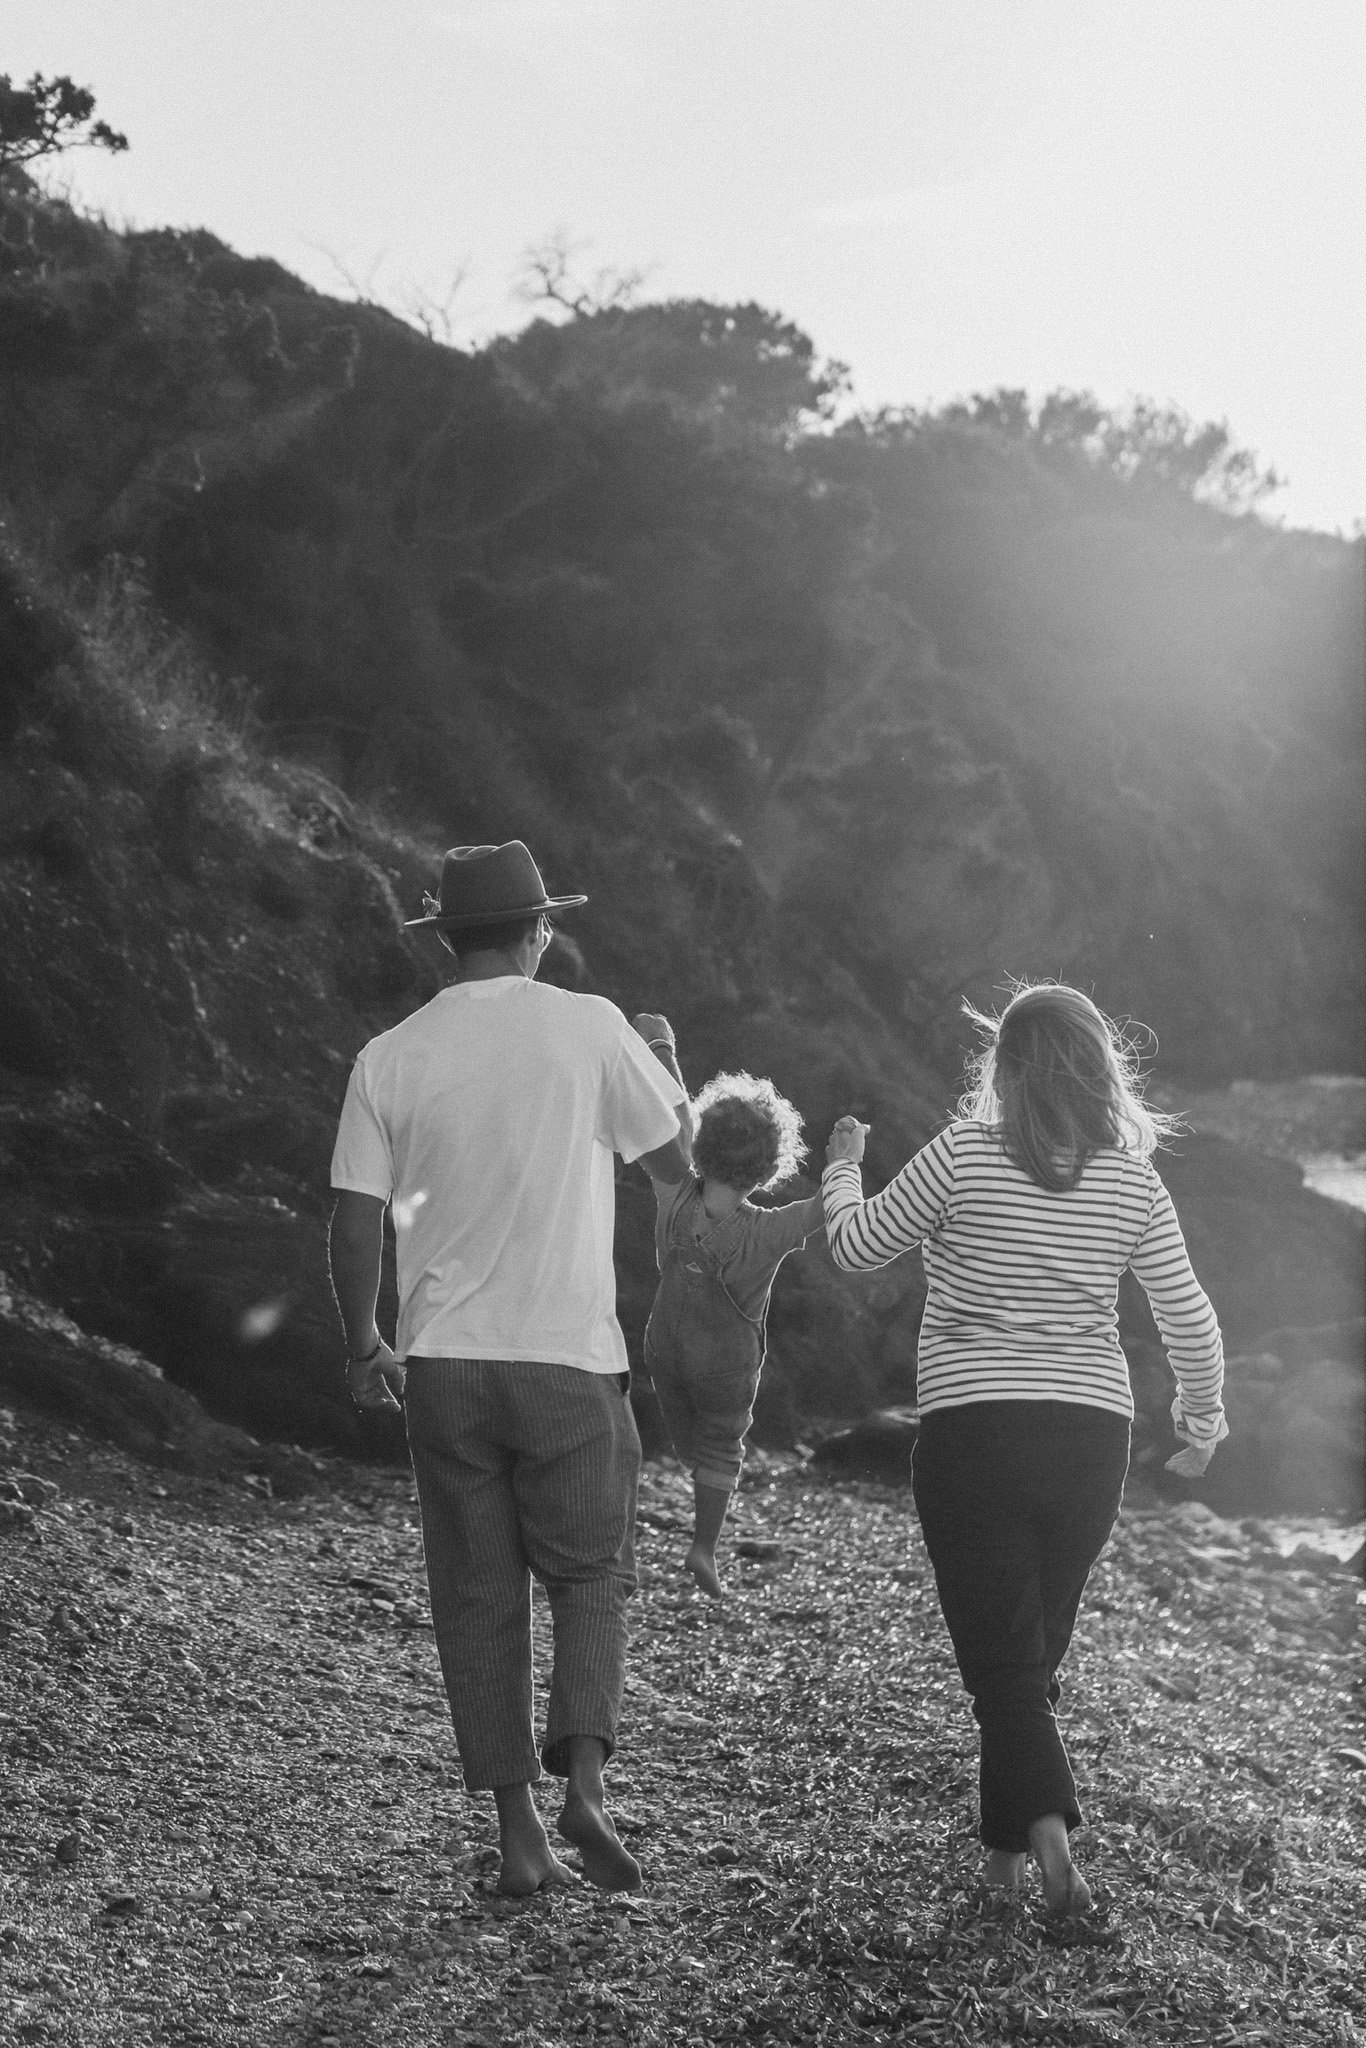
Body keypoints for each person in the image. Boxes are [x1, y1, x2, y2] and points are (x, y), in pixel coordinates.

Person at [327, 841, 690, 1896]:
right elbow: (673, 1161)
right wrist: (665, 1066)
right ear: (539, 931)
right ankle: (584, 1780)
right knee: (588, 1575)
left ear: (447, 940)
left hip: (442, 1366)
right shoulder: (589, 1024)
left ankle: (519, 1835)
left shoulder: (387, 1054)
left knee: (476, 1596)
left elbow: (355, 1223)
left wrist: (362, 1343)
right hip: (569, 1362)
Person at [821, 982, 1227, 1915]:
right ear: (1098, 1071)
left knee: (1006, 1663)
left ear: (1004, 1069)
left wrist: (844, 1166)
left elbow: (854, 1247)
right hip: (1092, 1440)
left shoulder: (965, 1154)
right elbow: (1189, 1318)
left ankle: (1051, 1847)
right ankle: (1003, 1866)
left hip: (977, 1429)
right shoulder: (1132, 1178)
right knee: (1028, 1655)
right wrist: (1202, 1425)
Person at [633, 1042, 825, 1597]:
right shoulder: (767, 1231)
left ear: (699, 1144)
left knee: (685, 1429)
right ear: (769, 1167)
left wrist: (665, 1049)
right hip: (725, 1363)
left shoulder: (672, 1191)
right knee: (723, 1446)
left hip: (664, 1345)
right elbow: (824, 1210)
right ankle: (703, 1546)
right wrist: (846, 1161)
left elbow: (673, 1112)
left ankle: (676, 1464)